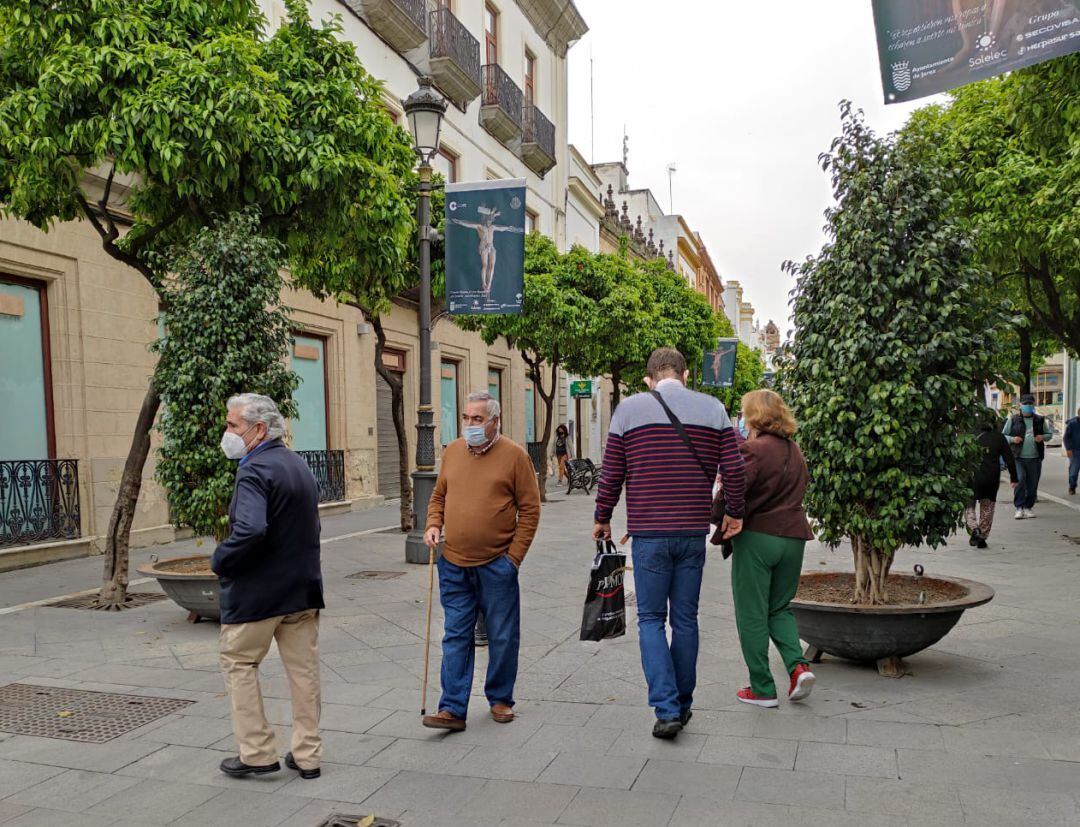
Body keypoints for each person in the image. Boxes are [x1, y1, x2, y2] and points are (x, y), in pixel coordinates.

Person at [594, 347, 745, 739]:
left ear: (649, 379)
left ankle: (666, 709)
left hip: (649, 535)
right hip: (693, 534)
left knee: (649, 619)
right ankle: (684, 701)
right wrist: (734, 511)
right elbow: (734, 468)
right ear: (687, 374)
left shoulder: (628, 410)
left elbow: (611, 471)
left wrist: (602, 516)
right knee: (685, 619)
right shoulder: (713, 409)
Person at [211, 394, 324, 780]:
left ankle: (257, 753)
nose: (227, 433)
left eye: (232, 426)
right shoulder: (297, 464)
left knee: (239, 662)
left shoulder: (254, 470)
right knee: (303, 672)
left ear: (258, 430)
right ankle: (308, 755)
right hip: (302, 590)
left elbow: (251, 529)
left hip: (260, 594)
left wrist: (221, 560)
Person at [422, 391, 541, 732]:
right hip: (454, 562)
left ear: (495, 422)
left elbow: (530, 510)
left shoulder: (515, 457)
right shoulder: (453, 452)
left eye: (477, 419)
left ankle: (500, 697)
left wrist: (513, 559)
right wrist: (433, 524)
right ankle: (452, 708)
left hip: (496, 564)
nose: (470, 425)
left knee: (502, 635)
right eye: (466, 418)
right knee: (455, 634)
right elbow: (439, 494)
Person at [716, 390, 815, 709]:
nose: (743, 420)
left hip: (758, 537)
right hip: (794, 537)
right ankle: (798, 668)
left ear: (755, 415)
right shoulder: (795, 450)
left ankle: (762, 688)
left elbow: (735, 487)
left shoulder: (753, 449)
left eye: (745, 413)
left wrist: (718, 514)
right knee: (780, 608)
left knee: (752, 614)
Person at [966, 409, 1018, 548]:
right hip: (991, 477)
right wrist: (1014, 477)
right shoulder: (999, 437)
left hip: (972, 475)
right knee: (987, 507)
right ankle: (982, 537)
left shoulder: (970, 436)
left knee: (969, 504)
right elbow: (1010, 459)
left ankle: (974, 528)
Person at [1004, 394, 1052, 519]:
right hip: (1018, 457)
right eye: (1025, 404)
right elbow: (1003, 436)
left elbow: (1049, 434)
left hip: (1035, 458)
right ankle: (1019, 507)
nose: (1028, 406)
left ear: (1033, 405)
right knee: (1020, 480)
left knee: (1032, 485)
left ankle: (1028, 507)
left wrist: (1043, 437)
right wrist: (1013, 439)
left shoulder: (1040, 420)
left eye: (1030, 404)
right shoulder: (1013, 420)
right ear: (1020, 405)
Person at [1064, 407, 1080, 496]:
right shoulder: (1072, 424)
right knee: (1073, 471)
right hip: (1075, 451)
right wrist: (1068, 449)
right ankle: (1072, 486)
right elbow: (1066, 437)